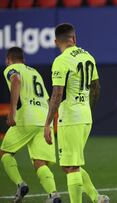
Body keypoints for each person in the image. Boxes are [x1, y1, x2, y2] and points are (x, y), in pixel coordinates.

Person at [43, 23, 109, 203]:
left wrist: (48, 123)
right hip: (85, 116)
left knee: (70, 166)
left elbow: (57, 94)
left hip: (71, 117)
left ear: (56, 41)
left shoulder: (61, 60)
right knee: (72, 165)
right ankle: (97, 198)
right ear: (74, 38)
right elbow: (96, 88)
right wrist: (87, 110)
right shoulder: (88, 56)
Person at [1, 47, 61, 203]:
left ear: (8, 60)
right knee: (40, 162)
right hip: (44, 118)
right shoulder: (35, 73)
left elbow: (16, 80)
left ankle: (20, 184)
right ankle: (53, 195)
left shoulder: (11, 69)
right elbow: (47, 100)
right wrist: (49, 123)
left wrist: (12, 111)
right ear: (24, 59)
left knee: (5, 152)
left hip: (26, 117)